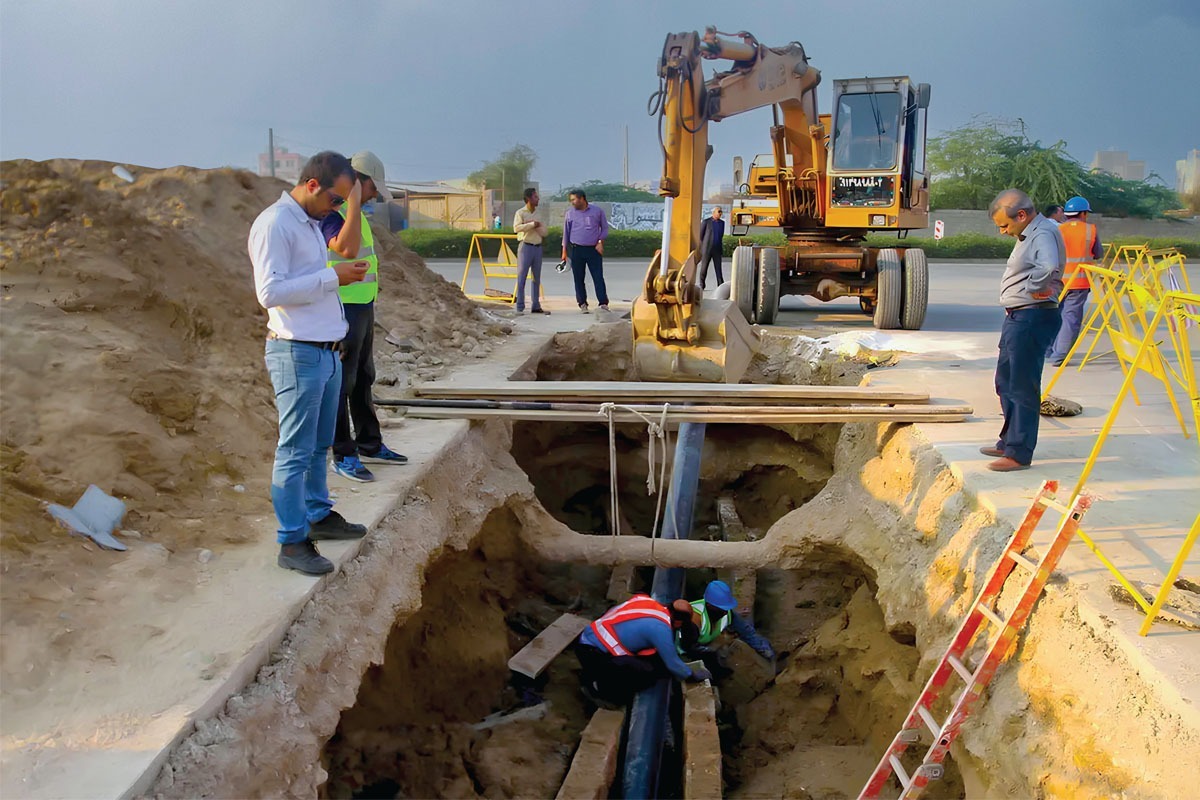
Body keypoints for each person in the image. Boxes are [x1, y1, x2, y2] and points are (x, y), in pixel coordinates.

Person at [248, 151, 370, 575]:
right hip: (297, 353)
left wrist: (334, 273)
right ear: (312, 184)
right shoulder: (276, 223)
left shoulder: (311, 225)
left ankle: (319, 514)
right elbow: (271, 292)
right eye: (337, 200)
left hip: (325, 352)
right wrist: (333, 277)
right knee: (295, 451)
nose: (337, 209)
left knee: (320, 446)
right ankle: (292, 541)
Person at [322, 151, 408, 484]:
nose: (374, 195)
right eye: (372, 187)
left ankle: (370, 442)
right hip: (340, 307)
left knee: (363, 376)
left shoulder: (357, 215)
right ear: (359, 180)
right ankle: (343, 453)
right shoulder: (334, 213)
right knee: (341, 384)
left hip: (362, 304)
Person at [982, 188, 1064, 473]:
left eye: (1005, 225)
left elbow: (1050, 265)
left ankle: (1019, 453)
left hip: (1032, 317)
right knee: (1005, 380)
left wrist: (1033, 289)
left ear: (1022, 214)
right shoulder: (1029, 234)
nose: (1003, 232)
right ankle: (1008, 441)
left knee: (1022, 386)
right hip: (1019, 317)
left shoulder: (1041, 233)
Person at [575, 594, 711, 708]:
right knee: (647, 673)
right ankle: (600, 690)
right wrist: (692, 674)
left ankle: (594, 674)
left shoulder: (648, 601)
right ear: (678, 622)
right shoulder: (660, 629)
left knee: (652, 661)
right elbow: (672, 664)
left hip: (587, 637)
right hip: (593, 652)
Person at [1046, 195, 1102, 366]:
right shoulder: (1090, 230)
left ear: (1067, 214)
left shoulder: (1057, 230)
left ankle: (1047, 350)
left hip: (1056, 282)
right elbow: (1098, 253)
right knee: (1070, 319)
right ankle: (1059, 356)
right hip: (1079, 284)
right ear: (1084, 213)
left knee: (1052, 315)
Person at [674, 580, 775, 661]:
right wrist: (715, 650)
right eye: (721, 609)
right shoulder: (694, 619)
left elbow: (747, 633)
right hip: (683, 654)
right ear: (709, 605)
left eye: (726, 609)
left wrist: (764, 649)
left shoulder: (727, 613)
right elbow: (690, 648)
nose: (725, 613)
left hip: (704, 646)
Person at [561, 189, 610, 313]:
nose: (572, 202)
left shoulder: (597, 211)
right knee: (578, 278)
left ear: (582, 198)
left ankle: (603, 303)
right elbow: (566, 233)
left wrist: (600, 242)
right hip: (576, 249)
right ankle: (582, 303)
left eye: (574, 199)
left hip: (593, 250)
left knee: (598, 277)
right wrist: (564, 251)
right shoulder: (570, 214)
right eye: (570, 200)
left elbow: (604, 228)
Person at [512, 187, 550, 314]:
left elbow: (544, 231)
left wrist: (536, 225)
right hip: (526, 246)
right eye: (535, 197)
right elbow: (516, 228)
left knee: (536, 278)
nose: (538, 199)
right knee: (522, 276)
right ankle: (520, 306)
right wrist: (531, 225)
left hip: (537, 247)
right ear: (528, 199)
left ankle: (536, 305)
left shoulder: (539, 214)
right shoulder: (520, 213)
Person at [697, 207, 726, 289]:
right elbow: (701, 236)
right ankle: (702, 284)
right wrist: (703, 246)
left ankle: (720, 285)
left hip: (717, 248)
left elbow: (721, 235)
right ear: (713, 212)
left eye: (721, 212)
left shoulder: (722, 223)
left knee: (718, 268)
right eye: (719, 211)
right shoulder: (706, 222)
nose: (720, 213)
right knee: (704, 267)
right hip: (707, 248)